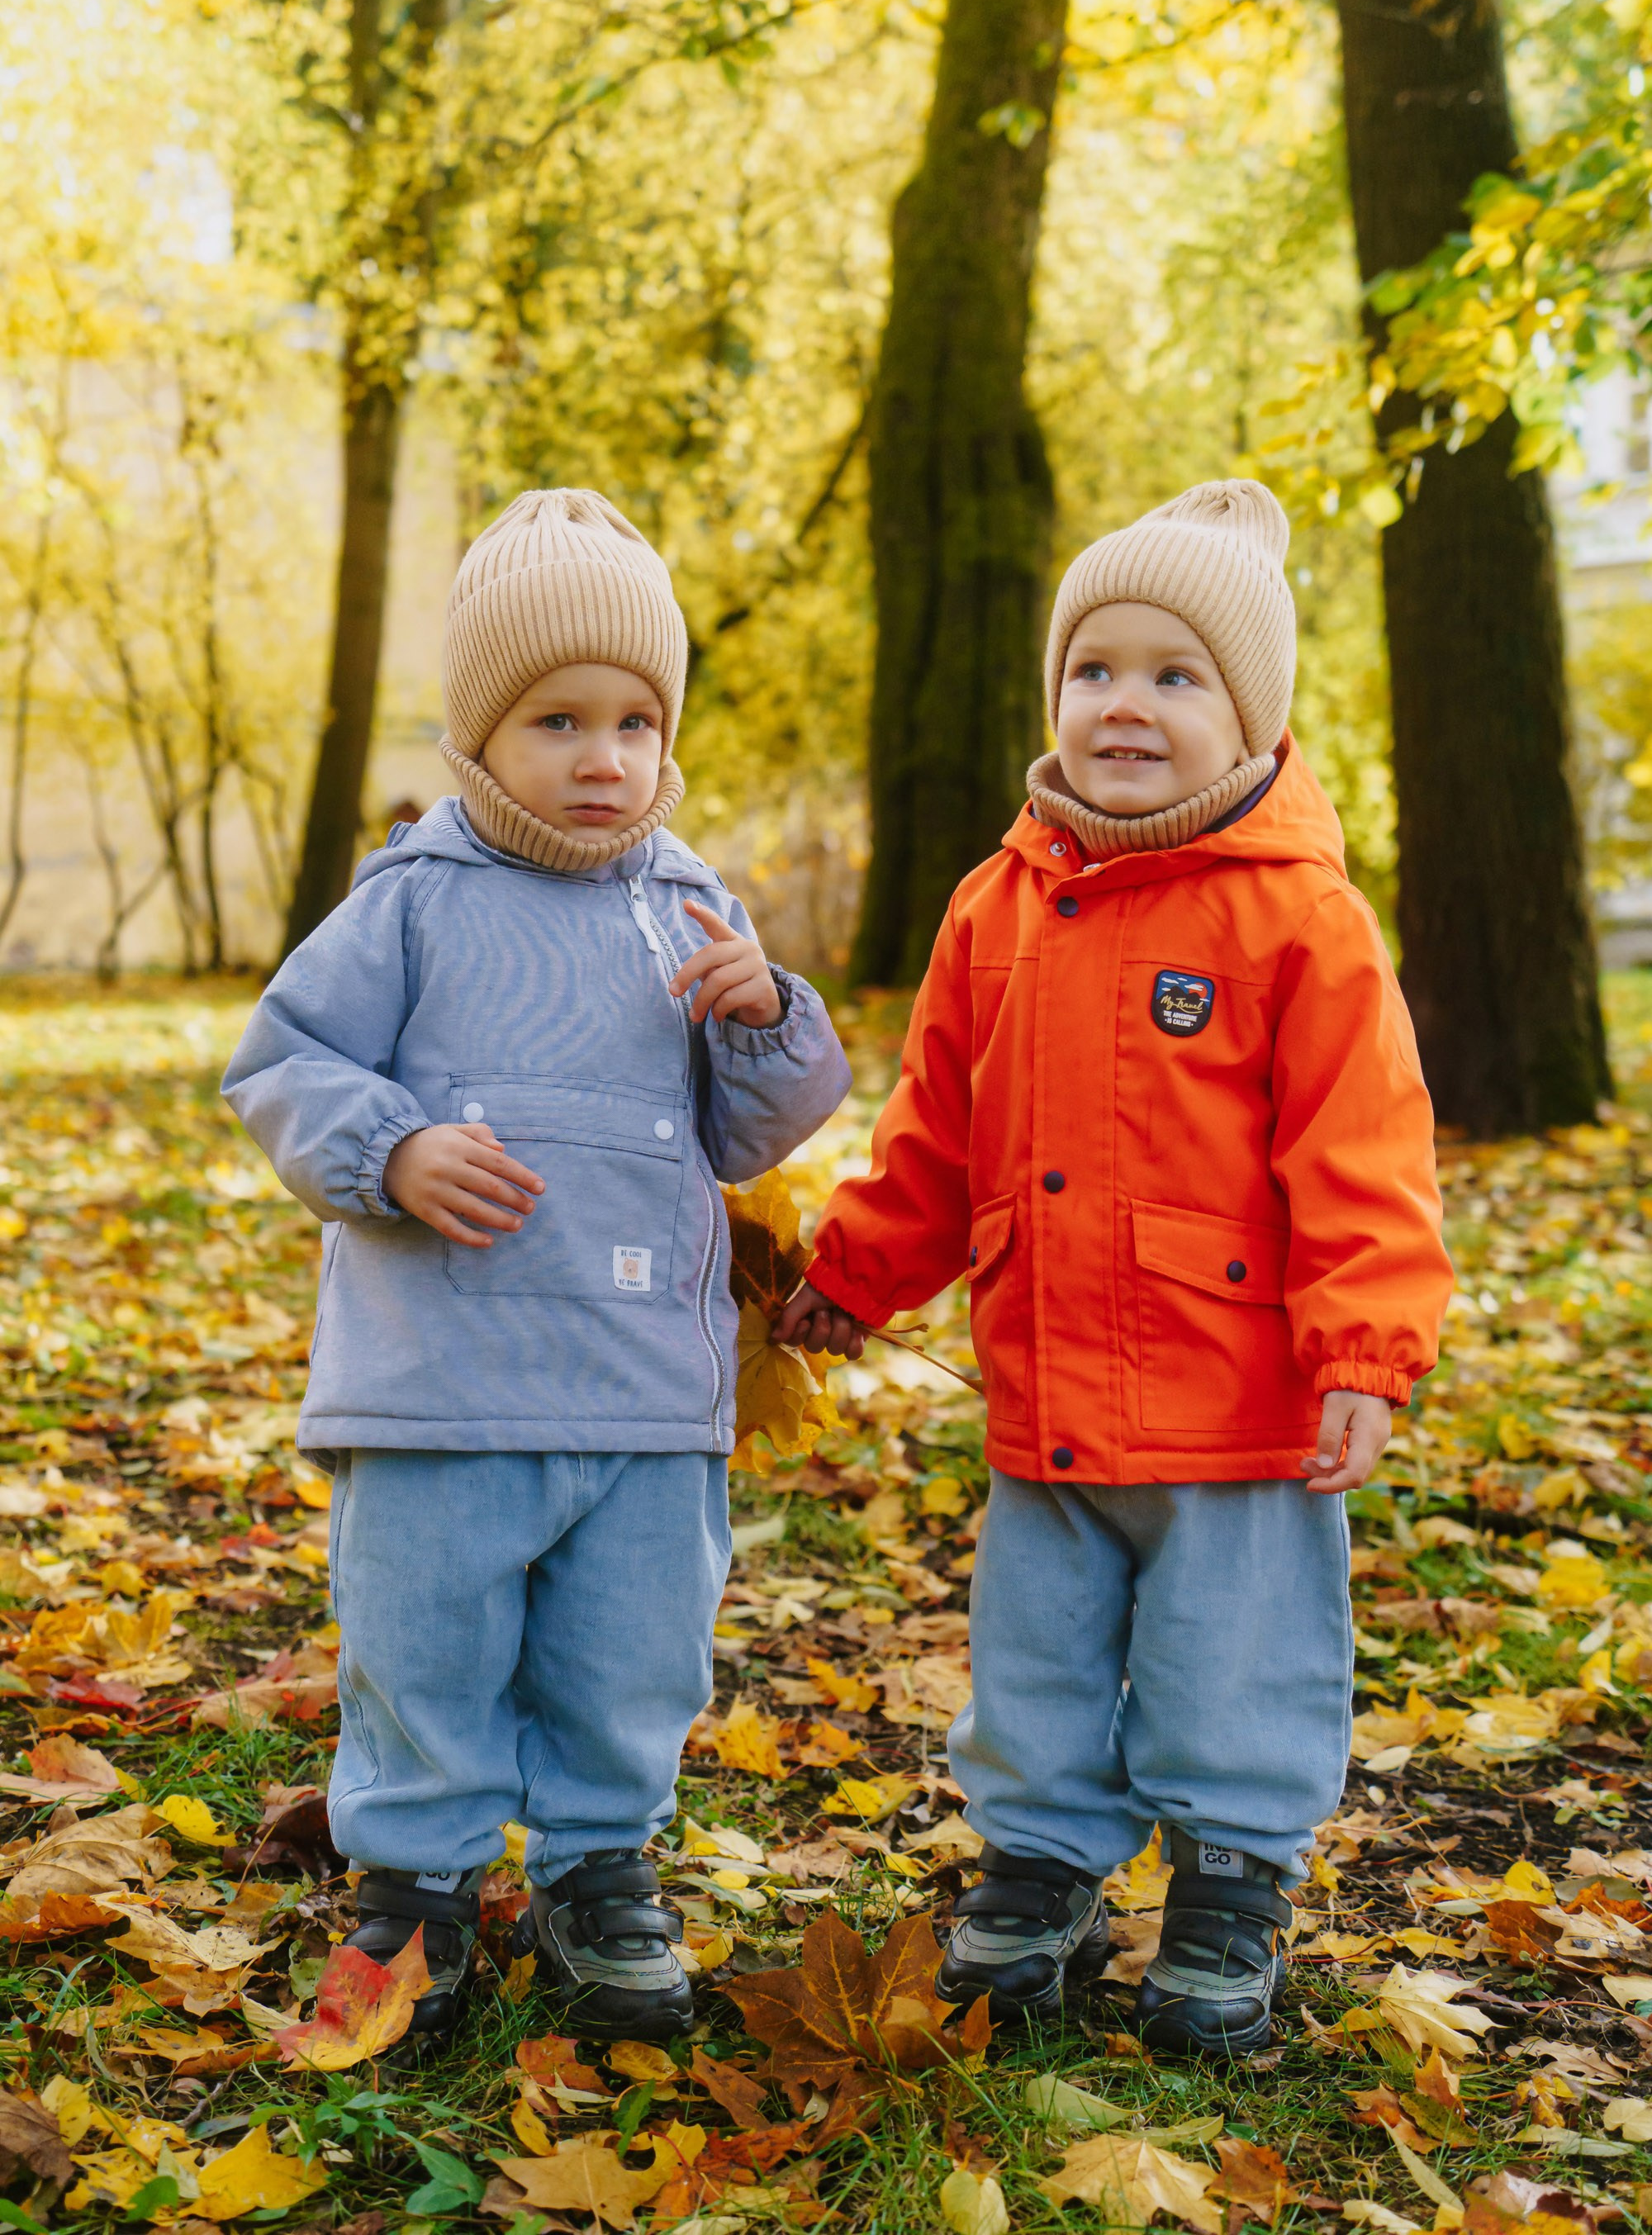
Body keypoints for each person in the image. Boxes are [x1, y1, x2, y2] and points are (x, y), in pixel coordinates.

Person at [776, 479, 1453, 2059]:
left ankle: (1228, 1886)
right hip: (1048, 1391)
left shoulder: (1302, 921)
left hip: (1241, 1405)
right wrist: (863, 1272)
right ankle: (1040, 1867)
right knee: (1038, 1657)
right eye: (1095, 671)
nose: (1125, 706)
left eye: (1174, 677)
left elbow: (1365, 1153)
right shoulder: (997, 903)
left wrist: (1364, 1353)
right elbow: (937, 1124)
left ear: (1251, 715)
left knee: (1238, 1658)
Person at [225, 488, 851, 2045]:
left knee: (632, 1648)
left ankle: (599, 1867)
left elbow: (751, 1125)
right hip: (445, 1384)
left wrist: (765, 1011)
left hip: (643, 1389)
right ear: (479, 736)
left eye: (636, 721)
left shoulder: (689, 906)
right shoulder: (416, 902)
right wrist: (391, 1149)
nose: (604, 758)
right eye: (559, 719)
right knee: (426, 1639)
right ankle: (411, 1889)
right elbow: (282, 1063)